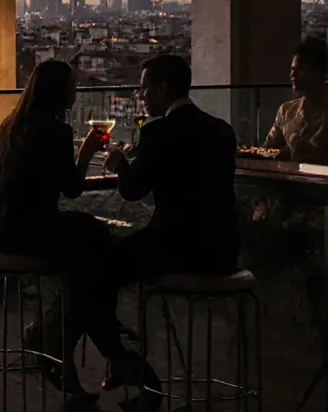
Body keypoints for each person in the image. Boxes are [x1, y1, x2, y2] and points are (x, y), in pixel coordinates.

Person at [0, 60, 121, 405]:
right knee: (98, 246)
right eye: (72, 85)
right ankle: (69, 338)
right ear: (58, 91)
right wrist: (87, 150)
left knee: (88, 254)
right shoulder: (56, 131)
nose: (76, 91)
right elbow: (71, 188)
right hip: (32, 229)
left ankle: (57, 337)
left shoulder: (11, 125)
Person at [100, 54, 239, 405]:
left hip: (174, 247)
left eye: (145, 88)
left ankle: (124, 358)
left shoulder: (158, 131)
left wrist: (119, 162)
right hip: (223, 251)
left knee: (99, 268)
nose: (142, 95)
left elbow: (133, 190)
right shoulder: (222, 129)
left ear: (162, 88)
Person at [263, 37, 328, 167]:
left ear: (318, 71)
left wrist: (310, 156)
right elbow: (267, 150)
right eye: (292, 69)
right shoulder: (286, 111)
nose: (292, 75)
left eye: (300, 70)